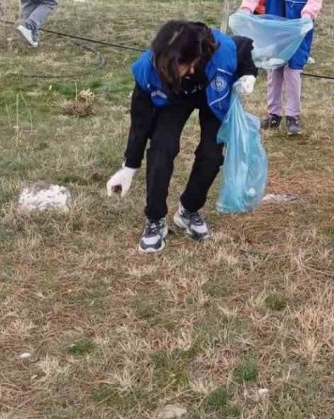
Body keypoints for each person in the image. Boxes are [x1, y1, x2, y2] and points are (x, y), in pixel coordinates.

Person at [105, 20, 257, 253]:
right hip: (174, 97)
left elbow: (245, 47)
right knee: (161, 148)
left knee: (211, 154)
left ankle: (188, 210)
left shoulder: (221, 50)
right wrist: (129, 166)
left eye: (177, 65)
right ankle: (155, 219)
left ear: (193, 62)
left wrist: (249, 74)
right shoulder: (149, 69)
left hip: (211, 94)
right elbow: (140, 120)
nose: (167, 68)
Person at [239, 0, 322, 137]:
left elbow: (314, 0)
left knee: (293, 73)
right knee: (273, 72)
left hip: (297, 34)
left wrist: (306, 17)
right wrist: (245, 9)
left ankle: (293, 116)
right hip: (274, 33)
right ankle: (273, 114)